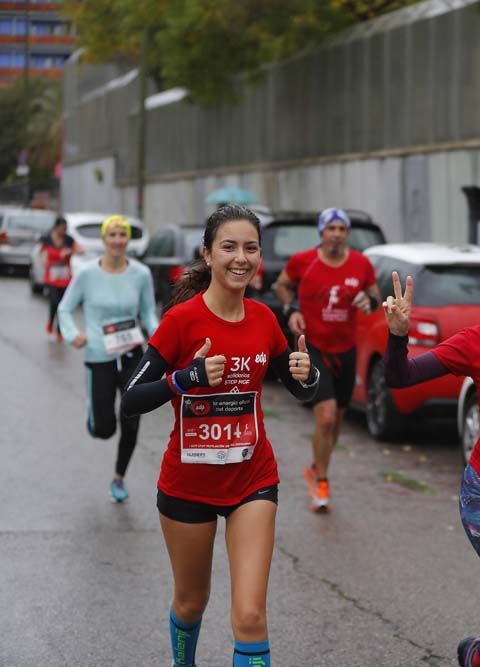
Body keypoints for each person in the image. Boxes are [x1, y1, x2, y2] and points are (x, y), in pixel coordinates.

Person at [121, 204, 320, 667]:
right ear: (208, 254)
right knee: (191, 602)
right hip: (188, 485)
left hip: (252, 480)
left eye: (251, 248)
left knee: (250, 616)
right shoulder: (182, 321)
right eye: (229, 247)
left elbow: (300, 388)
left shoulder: (264, 319)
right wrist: (185, 379)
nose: (241, 258)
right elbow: (130, 399)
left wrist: (306, 374)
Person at [274, 207, 379, 512]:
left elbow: (374, 298)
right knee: (326, 417)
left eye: (341, 229)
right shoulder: (302, 261)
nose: (336, 234)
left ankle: (317, 466)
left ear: (347, 234)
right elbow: (281, 285)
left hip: (346, 349)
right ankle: (321, 480)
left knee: (336, 423)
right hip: (314, 347)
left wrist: (369, 301)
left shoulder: (361, 263)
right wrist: (291, 310)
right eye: (331, 228)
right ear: (321, 232)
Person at [57, 215, 159, 502]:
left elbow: (148, 313)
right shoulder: (87, 274)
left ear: (127, 239)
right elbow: (64, 308)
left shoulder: (141, 274)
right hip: (99, 355)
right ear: (104, 239)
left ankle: (118, 477)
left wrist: (160, 337)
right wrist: (72, 335)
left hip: (132, 355)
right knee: (104, 429)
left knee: (132, 418)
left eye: (122, 234)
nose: (117, 240)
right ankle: (96, 417)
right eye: (112, 234)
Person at [40, 216, 83, 341]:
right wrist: (43, 261)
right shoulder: (47, 239)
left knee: (62, 305)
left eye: (65, 229)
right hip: (52, 277)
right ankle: (50, 322)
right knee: (54, 302)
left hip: (65, 278)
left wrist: (71, 252)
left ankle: (59, 330)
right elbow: (40, 252)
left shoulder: (69, 240)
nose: (63, 231)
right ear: (56, 227)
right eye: (61, 228)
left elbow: (81, 250)